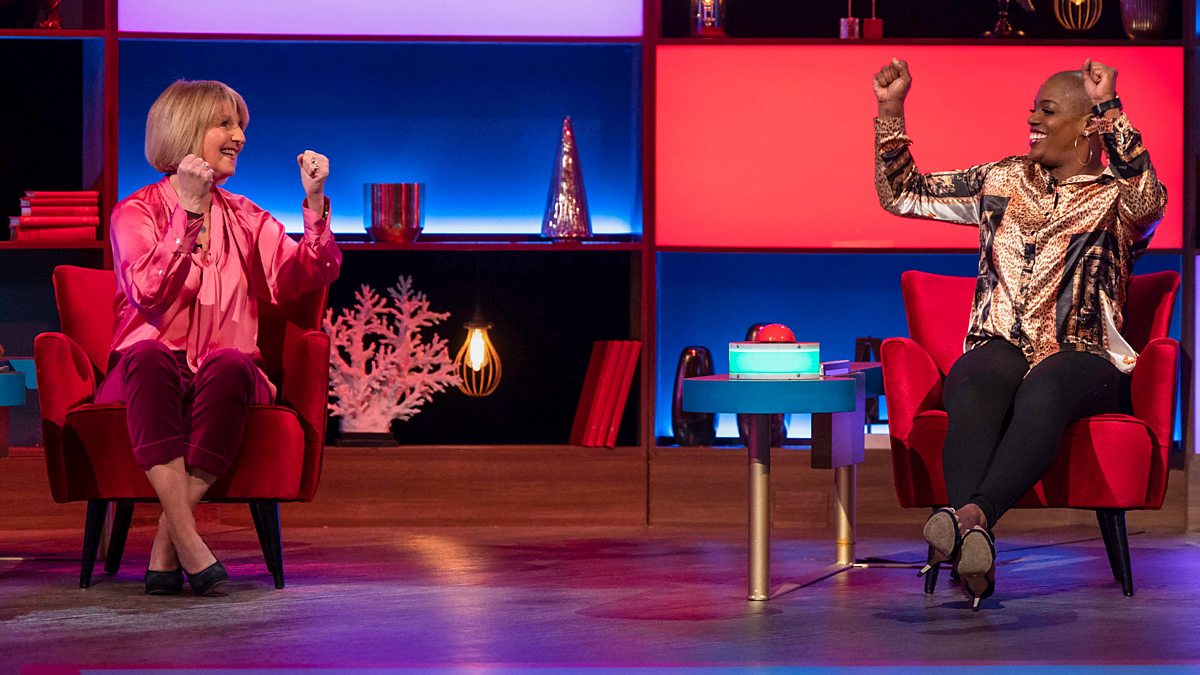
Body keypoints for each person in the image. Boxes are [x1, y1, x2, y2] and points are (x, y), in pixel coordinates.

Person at [872, 58, 1166, 609]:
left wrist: (1111, 108)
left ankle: (969, 517)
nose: (1031, 119)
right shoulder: (1002, 179)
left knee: (1046, 387)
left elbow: (1150, 199)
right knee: (973, 379)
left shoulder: (1117, 199)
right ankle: (975, 544)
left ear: (1086, 125)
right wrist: (891, 109)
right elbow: (903, 194)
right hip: (1003, 340)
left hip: (1085, 355)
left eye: (1047, 111)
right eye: (1033, 109)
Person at [96, 80, 342, 596]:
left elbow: (311, 273)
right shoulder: (135, 212)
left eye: (241, 126)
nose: (240, 137)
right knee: (147, 355)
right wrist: (186, 215)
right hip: (147, 374)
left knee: (230, 363)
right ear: (187, 130)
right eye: (226, 124)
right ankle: (189, 541)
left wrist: (314, 201)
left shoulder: (246, 216)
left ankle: (171, 543)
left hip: (225, 374)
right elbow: (147, 292)